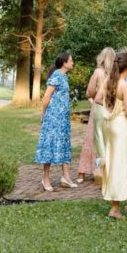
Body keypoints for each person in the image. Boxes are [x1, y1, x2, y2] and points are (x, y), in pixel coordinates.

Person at [96, 50, 127, 219]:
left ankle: (113, 202)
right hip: (120, 126)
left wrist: (110, 108)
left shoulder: (108, 82)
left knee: (111, 161)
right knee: (119, 163)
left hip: (109, 125)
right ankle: (115, 207)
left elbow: (97, 99)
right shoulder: (124, 85)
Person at [35, 51, 76, 191]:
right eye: (71, 61)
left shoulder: (65, 77)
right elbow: (46, 96)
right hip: (53, 118)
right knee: (50, 146)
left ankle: (66, 176)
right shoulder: (57, 75)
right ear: (64, 63)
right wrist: (43, 113)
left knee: (63, 144)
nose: (73, 63)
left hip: (63, 119)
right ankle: (45, 179)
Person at [77, 46, 115, 183]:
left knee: (92, 139)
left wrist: (93, 97)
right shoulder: (115, 75)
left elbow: (89, 92)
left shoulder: (98, 72)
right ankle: (102, 170)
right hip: (111, 108)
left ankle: (84, 171)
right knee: (106, 140)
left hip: (99, 107)